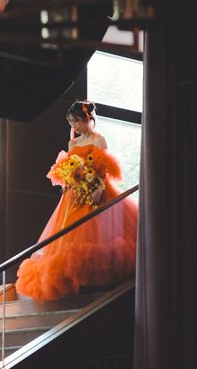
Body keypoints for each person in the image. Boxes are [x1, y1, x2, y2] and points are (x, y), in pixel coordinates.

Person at [15, 100, 138, 301]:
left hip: (94, 188)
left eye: (76, 121)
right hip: (73, 192)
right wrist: (70, 180)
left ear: (87, 119)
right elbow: (69, 167)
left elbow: (102, 168)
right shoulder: (73, 143)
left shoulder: (99, 141)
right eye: (71, 122)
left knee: (93, 232)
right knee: (67, 234)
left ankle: (92, 279)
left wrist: (96, 188)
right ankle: (69, 278)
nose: (74, 126)